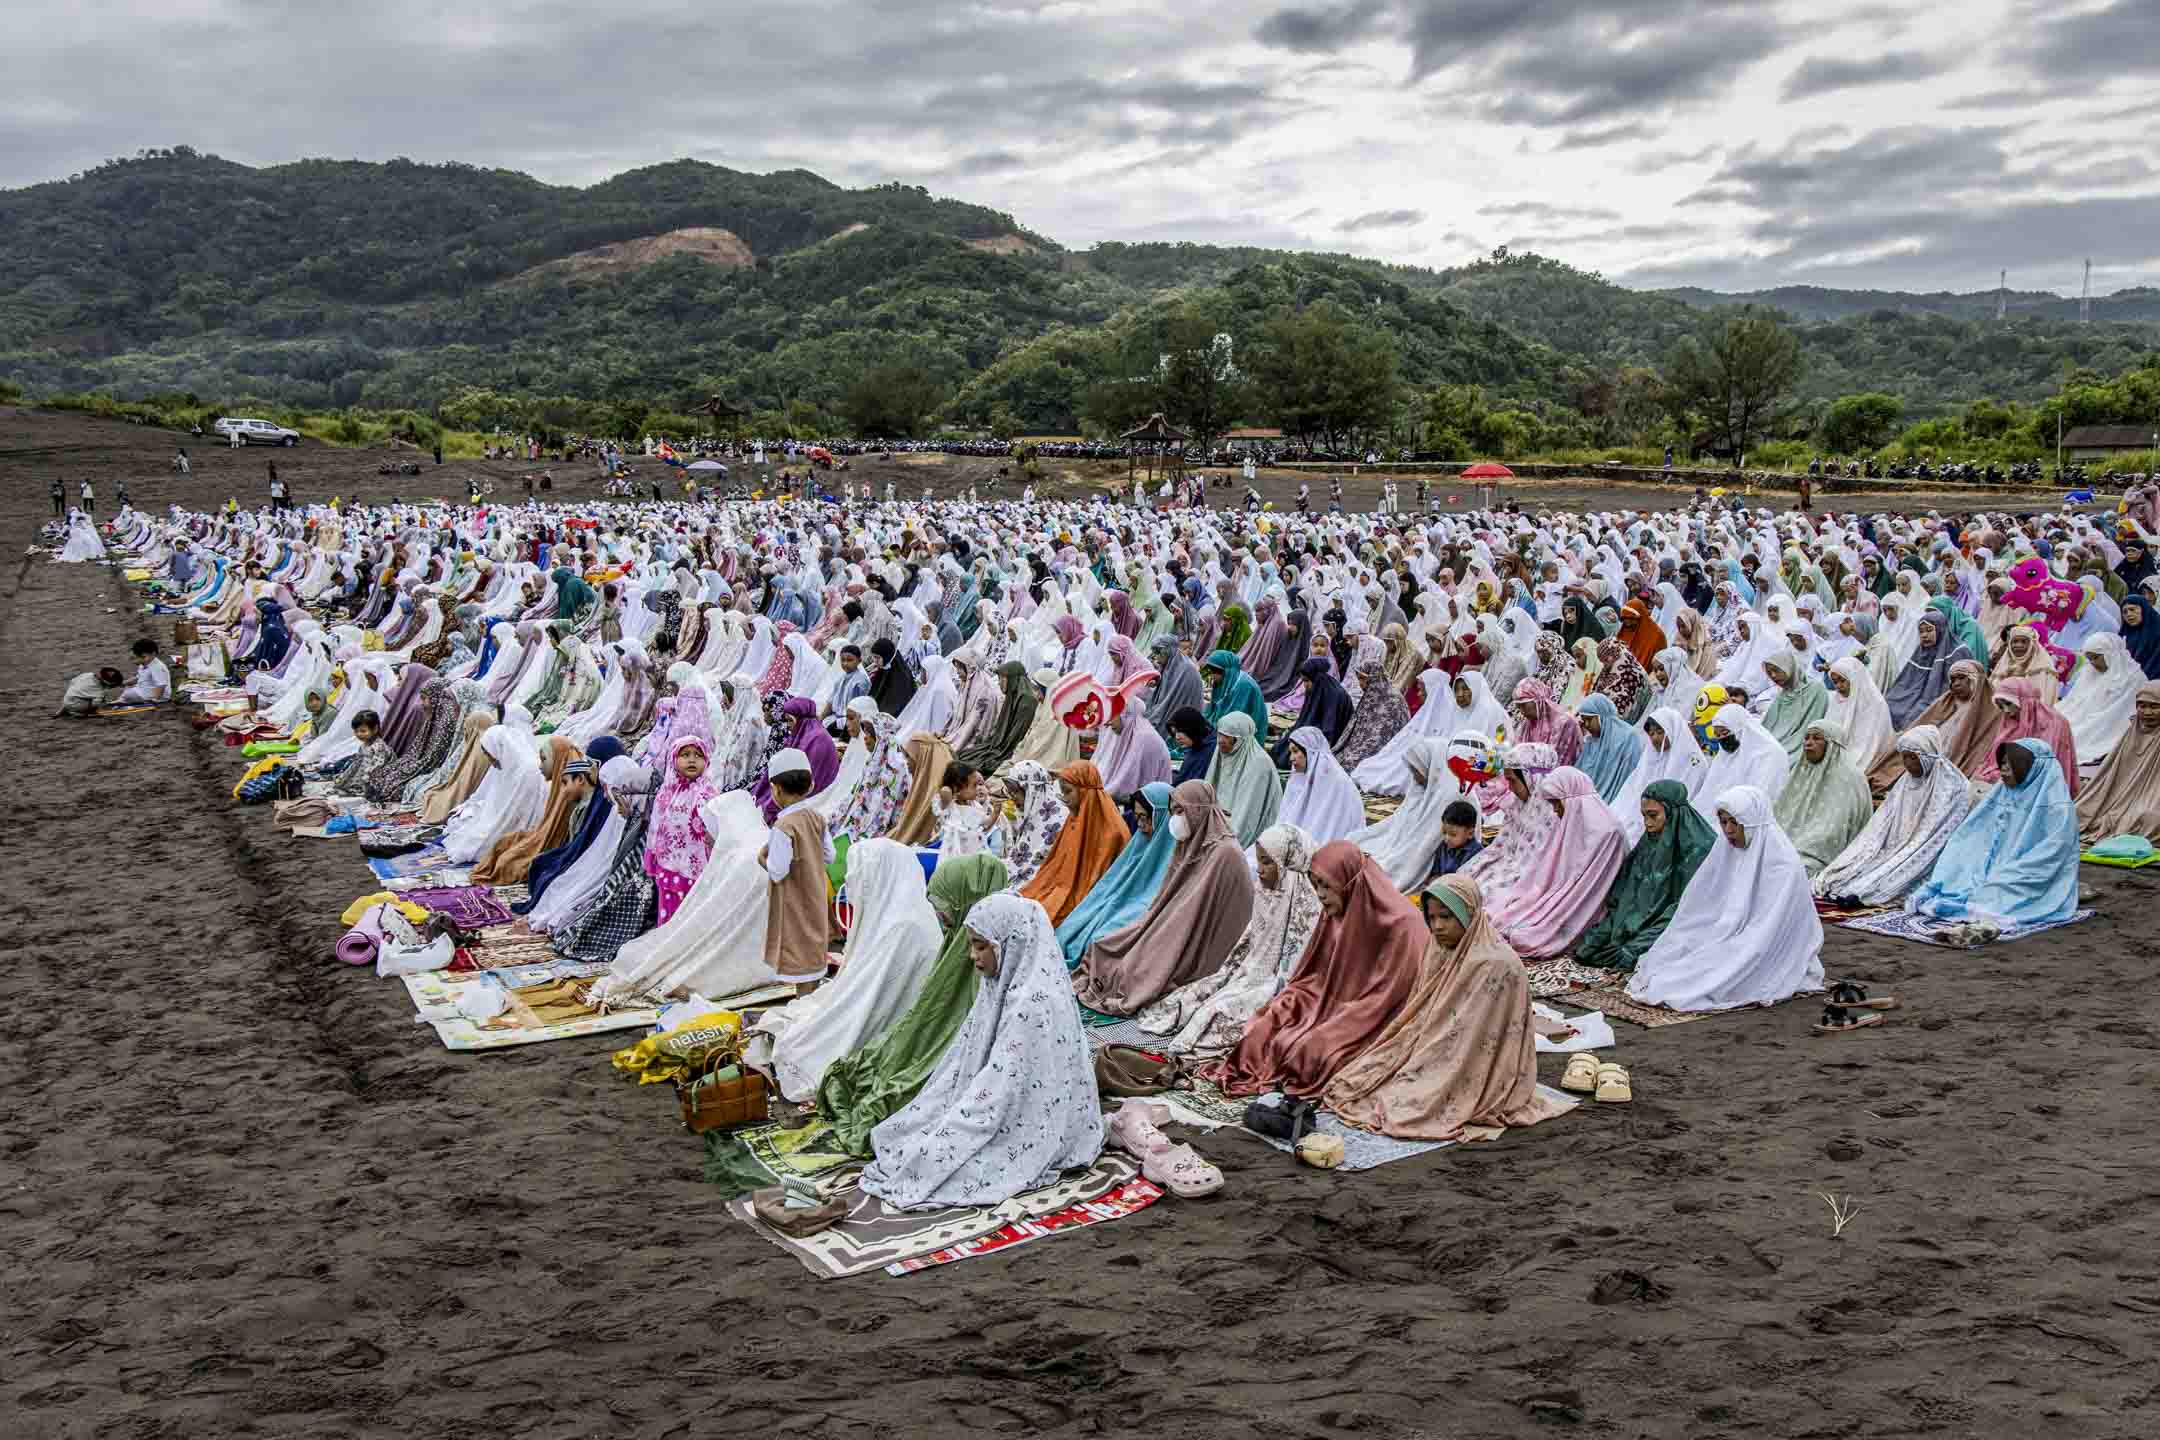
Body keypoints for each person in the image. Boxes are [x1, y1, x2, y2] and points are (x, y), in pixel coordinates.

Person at [858, 893, 1104, 1211]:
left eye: (981, 945)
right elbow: (966, 1056)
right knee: (907, 1134)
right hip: (1009, 1095)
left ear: (1009, 942)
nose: (972, 955)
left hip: (1032, 1116)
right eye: (973, 944)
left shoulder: (1033, 1002)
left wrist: (959, 1122)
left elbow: (1004, 1082)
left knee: (940, 1158)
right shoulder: (1003, 981)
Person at [1323, 874, 1579, 1142]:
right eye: (1431, 918)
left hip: (1473, 1059)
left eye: (1446, 917)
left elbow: (1472, 1036)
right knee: (1364, 1077)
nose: (1437, 927)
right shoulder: (1441, 949)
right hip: (1435, 1044)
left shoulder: (1495, 964)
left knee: (1412, 1102)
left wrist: (1429, 1062)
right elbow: (1426, 1013)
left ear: (1468, 914)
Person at [1214, 840, 1427, 1098]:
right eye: (1316, 886)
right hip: (1327, 1003)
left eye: (1327, 885)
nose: (1320, 895)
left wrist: (1331, 1020)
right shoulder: (1337, 913)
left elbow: (1389, 1000)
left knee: (1313, 1050)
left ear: (1349, 881)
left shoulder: (1403, 925)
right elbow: (1312, 974)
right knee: (1263, 1028)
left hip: (1371, 1018)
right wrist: (1293, 1002)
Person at [1626, 785, 1825, 1012]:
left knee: (1703, 978)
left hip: (1761, 941)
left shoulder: (1783, 865)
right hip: (1726, 932)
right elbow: (1701, 906)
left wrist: (1727, 940)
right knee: (1670, 958)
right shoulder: (1726, 850)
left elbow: (1769, 928)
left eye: (1734, 823)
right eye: (1723, 822)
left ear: (1752, 822)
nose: (1728, 830)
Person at [1071, 779, 1256, 1017]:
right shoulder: (1189, 843)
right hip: (1175, 922)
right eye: (1172, 812)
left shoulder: (1225, 854)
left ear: (1197, 811)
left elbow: (1195, 910)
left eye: (1180, 811)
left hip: (1201, 937)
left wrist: (1159, 936)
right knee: (1106, 948)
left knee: (1136, 972)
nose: (1174, 820)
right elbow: (1167, 898)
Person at [1135, 823, 1323, 1056]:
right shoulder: (1267, 892)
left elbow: (1294, 967)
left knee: (1217, 1012)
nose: (1260, 871)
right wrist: (1234, 976)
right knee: (1194, 997)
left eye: (1267, 863)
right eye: (1260, 861)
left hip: (1281, 987)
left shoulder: (1306, 904)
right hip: (1249, 974)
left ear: (1286, 864)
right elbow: (1248, 947)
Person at [1908, 737, 2080, 929]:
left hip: (2032, 870)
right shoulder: (2002, 792)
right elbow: (1971, 835)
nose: (2004, 770)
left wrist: (2007, 870)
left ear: (2031, 767)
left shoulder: (2057, 806)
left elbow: (2052, 854)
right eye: (2003, 763)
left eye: (2011, 764)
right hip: (1992, 866)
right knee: (1956, 877)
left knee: (2000, 890)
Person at [1814, 726, 1973, 907]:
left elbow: (1936, 834)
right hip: (1894, 845)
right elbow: (1883, 820)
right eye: (1904, 757)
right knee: (1852, 866)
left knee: (1894, 876)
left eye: (1912, 757)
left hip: (1926, 849)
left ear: (1928, 756)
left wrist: (1905, 850)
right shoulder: (1905, 782)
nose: (1907, 763)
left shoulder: (1953, 786)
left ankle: (1864, 894)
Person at [1573, 779, 1718, 971]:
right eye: (1644, 816)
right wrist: (1602, 935)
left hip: (1679, 927)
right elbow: (1624, 898)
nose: (1647, 824)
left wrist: (1636, 946)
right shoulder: (1650, 842)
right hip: (1638, 927)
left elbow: (1686, 910)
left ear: (1672, 812)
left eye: (1653, 815)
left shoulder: (1698, 848)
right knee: (1589, 950)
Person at [761, 748, 834, 992]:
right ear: (810, 785)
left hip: (794, 902)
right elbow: (830, 856)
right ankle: (809, 1003)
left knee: (798, 954)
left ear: (776, 789)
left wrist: (763, 859)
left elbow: (778, 871)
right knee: (813, 949)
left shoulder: (783, 826)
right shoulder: (817, 817)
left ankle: (804, 1009)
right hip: (815, 895)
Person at [1772, 719, 1875, 875]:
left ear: (1832, 744)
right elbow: (1781, 811)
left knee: (1790, 868)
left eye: (1817, 738)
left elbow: (1833, 832)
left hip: (1819, 853)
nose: (1809, 743)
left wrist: (1801, 846)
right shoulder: (1801, 770)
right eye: (1806, 738)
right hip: (1792, 842)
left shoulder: (1849, 777)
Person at [2076, 682, 2160, 843]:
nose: (2147, 712)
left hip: (2153, 798)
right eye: (2142, 706)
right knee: (2080, 810)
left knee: (2150, 818)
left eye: (2154, 707)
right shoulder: (2133, 731)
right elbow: (2109, 772)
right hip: (2116, 798)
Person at [118, 638, 172, 705]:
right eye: (139, 657)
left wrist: (155, 700)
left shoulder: (158, 667)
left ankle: (122, 700)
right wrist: (124, 683)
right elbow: (138, 678)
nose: (142, 659)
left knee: (128, 694)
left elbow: (161, 685)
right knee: (128, 689)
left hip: (158, 695)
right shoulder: (144, 664)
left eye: (144, 657)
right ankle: (122, 700)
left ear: (153, 654)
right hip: (147, 689)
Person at [58, 666, 126, 717]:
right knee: (97, 703)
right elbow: (95, 704)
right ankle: (82, 713)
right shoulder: (99, 691)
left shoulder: (87, 674)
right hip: (77, 705)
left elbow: (72, 682)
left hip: (66, 699)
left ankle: (65, 708)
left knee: (77, 693)